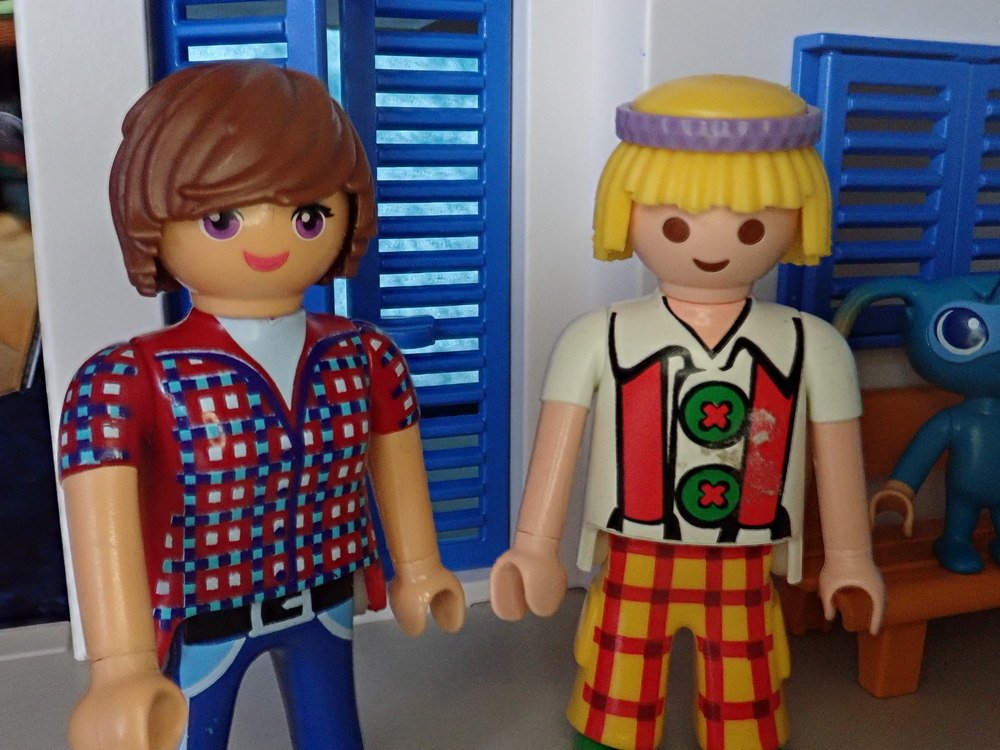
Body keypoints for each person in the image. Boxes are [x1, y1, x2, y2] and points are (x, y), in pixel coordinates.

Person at [58, 60, 465, 750]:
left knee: (334, 735)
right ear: (151, 221)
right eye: (222, 219)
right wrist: (120, 666)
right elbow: (104, 528)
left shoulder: (365, 356)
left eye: (308, 216)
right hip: (202, 619)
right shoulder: (126, 379)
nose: (269, 241)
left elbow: (396, 459)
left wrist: (420, 567)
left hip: (324, 599)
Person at [490, 74, 884, 750]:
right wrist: (533, 548)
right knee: (617, 694)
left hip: (744, 556)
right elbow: (558, 447)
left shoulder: (812, 346)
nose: (713, 243)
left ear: (798, 219)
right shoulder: (597, 337)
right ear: (624, 212)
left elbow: (838, 457)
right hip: (634, 548)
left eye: (752, 225)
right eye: (675, 223)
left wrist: (850, 558)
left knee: (744, 705)